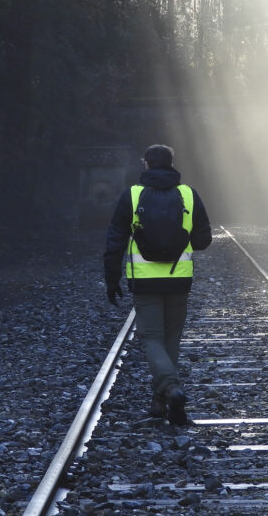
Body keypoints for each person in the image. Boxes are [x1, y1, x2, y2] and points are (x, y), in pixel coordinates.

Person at [104, 144, 212, 425]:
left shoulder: (132, 195)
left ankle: (170, 389)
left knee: (151, 337)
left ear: (147, 164)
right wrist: (179, 239)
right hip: (179, 279)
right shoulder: (188, 194)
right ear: (171, 163)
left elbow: (115, 241)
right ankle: (161, 403)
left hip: (145, 280)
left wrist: (111, 279)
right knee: (172, 337)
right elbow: (203, 240)